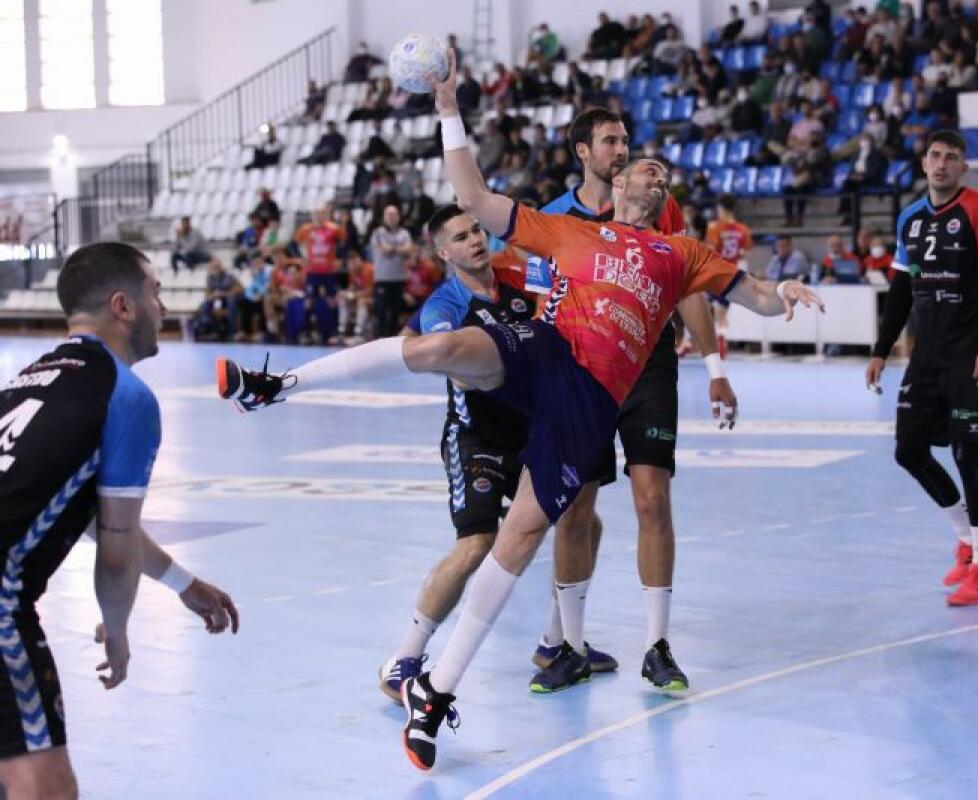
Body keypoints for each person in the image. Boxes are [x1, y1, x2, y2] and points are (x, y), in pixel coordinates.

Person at [215, 49, 823, 771]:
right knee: (441, 348)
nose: (653, 174)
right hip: (544, 348)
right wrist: (447, 105)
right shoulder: (569, 230)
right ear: (613, 178)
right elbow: (470, 192)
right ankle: (276, 386)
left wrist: (784, 298)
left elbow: (751, 294)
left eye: (664, 174)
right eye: (642, 167)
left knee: (522, 534)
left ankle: (436, 692)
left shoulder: (680, 252)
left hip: (591, 398)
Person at [0, 242, 238, 797]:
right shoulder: (126, 396)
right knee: (43, 784)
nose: (163, 308)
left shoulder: (29, 378)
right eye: (154, 293)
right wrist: (119, 628)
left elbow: (76, 509)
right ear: (122, 306)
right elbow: (116, 544)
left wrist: (181, 583)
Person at [524, 108, 739, 695]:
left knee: (653, 502)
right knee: (574, 508)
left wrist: (714, 365)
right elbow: (541, 301)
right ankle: (567, 647)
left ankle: (657, 646)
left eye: (624, 140)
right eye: (609, 141)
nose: (621, 149)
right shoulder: (556, 219)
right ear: (583, 152)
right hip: (581, 372)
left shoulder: (660, 207)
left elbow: (689, 284)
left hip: (648, 365)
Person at [376, 205, 539, 698]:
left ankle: (561, 643)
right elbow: (447, 361)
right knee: (475, 544)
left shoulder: (517, 285)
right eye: (462, 237)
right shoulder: (444, 305)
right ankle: (404, 660)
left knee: (582, 520)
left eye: (477, 231)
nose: (475, 241)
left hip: (531, 434)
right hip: (477, 439)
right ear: (444, 252)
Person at [865, 129, 978, 607]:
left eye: (952, 157)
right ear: (923, 161)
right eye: (935, 155)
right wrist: (880, 348)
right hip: (926, 355)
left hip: (971, 352)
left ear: (963, 167)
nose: (942, 164)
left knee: (967, 453)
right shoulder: (910, 217)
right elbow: (901, 290)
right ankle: (972, 539)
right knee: (908, 450)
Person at [705, 193, 753, 356]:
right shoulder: (743, 229)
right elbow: (744, 255)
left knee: (704, 306)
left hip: (715, 272)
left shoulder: (715, 227)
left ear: (722, 208)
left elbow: (710, 252)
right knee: (721, 311)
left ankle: (697, 341)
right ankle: (722, 335)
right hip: (732, 274)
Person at [293, 205, 346, 344]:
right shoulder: (306, 229)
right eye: (317, 214)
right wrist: (300, 257)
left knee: (332, 301)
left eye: (322, 214)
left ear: (326, 215)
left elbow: (344, 244)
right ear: (312, 216)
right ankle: (307, 332)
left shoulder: (334, 229)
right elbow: (293, 244)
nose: (319, 216)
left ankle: (333, 332)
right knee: (309, 301)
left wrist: (339, 259)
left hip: (328, 271)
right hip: (312, 271)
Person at [370, 205, 415, 338]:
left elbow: (408, 250)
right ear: (384, 217)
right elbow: (384, 250)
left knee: (395, 313)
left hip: (399, 279)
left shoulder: (404, 233)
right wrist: (400, 249)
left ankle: (392, 343)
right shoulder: (378, 233)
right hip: (382, 279)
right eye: (389, 215)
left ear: (399, 216)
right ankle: (379, 341)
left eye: (394, 214)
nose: (391, 217)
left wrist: (393, 249)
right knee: (381, 313)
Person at [336, 249, 375, 345]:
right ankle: (341, 332)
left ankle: (359, 334)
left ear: (359, 260)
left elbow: (370, 291)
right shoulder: (353, 272)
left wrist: (353, 295)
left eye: (354, 261)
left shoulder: (369, 270)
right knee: (343, 299)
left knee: (361, 301)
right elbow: (352, 287)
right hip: (360, 297)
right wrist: (345, 293)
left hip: (374, 298)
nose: (351, 265)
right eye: (350, 263)